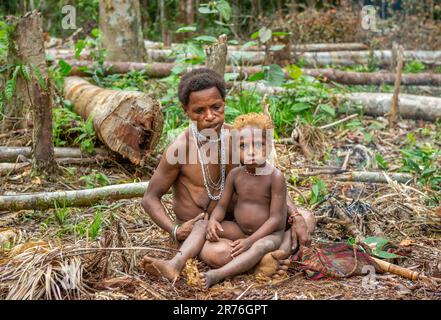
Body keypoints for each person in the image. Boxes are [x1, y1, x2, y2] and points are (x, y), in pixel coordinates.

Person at [141, 68, 315, 279]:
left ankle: (266, 255)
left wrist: (294, 215)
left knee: (306, 218)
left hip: (243, 224)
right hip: (207, 232)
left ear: (224, 102)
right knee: (221, 254)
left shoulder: (237, 137)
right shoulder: (181, 149)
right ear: (185, 109)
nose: (210, 116)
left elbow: (268, 178)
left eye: (216, 107)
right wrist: (175, 230)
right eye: (199, 111)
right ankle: (267, 257)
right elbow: (150, 198)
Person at [199, 113, 287, 288]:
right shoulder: (235, 175)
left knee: (260, 247)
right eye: (243, 146)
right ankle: (179, 260)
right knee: (201, 225)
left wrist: (250, 241)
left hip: (269, 234)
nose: (251, 151)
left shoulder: (275, 177)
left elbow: (276, 219)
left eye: (258, 145)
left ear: (269, 147)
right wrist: (214, 220)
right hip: (239, 229)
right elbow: (222, 206)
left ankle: (218, 275)